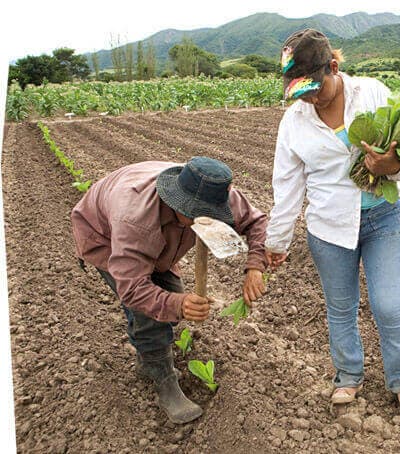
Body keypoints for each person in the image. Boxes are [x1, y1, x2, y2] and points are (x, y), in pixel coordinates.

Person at [265, 29, 400, 411]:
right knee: (341, 308)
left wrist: (394, 166)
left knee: (388, 303)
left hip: (384, 218)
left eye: (314, 88)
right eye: (299, 90)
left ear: (333, 67)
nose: (309, 98)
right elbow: (287, 187)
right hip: (328, 227)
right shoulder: (294, 122)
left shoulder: (372, 93)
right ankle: (348, 376)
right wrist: (276, 242)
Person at [71, 157, 268, 424]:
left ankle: (147, 357)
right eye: (198, 213)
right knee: (150, 311)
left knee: (170, 295)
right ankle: (164, 381)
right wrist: (177, 304)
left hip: (156, 241)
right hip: (104, 237)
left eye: (212, 213)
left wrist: (255, 266)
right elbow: (132, 288)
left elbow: (257, 222)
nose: (207, 219)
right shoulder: (133, 218)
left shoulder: (215, 191)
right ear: (177, 201)